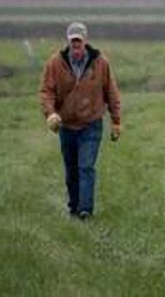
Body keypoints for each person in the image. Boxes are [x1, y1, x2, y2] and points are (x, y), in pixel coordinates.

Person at [39, 22, 121, 219]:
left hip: (91, 124)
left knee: (86, 167)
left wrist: (116, 120)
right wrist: (50, 113)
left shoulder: (100, 63)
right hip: (66, 125)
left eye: (79, 40)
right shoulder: (55, 63)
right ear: (68, 41)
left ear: (85, 41)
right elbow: (46, 91)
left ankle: (85, 209)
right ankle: (74, 206)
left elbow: (111, 92)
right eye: (72, 41)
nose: (76, 44)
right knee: (71, 170)